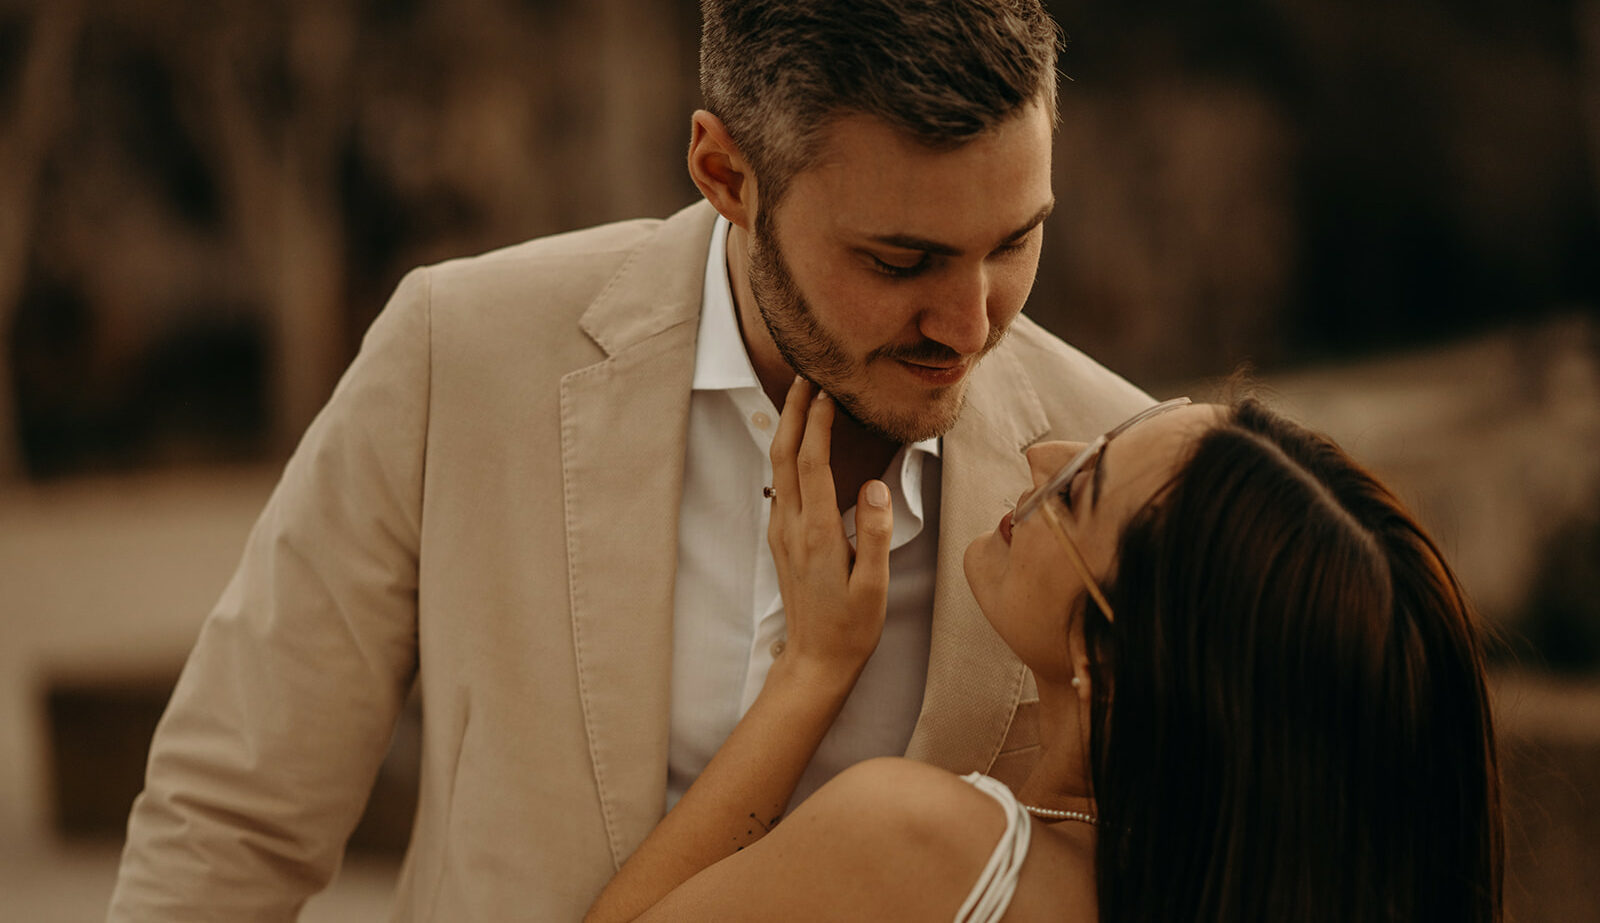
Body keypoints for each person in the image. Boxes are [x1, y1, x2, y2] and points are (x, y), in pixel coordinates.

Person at [108, 2, 1153, 919]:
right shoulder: (462, 352)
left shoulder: (1114, 466)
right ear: (725, 173)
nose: (971, 323)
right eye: (899, 259)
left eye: (1015, 241)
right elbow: (232, 818)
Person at [584, 380, 1505, 922]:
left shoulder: (933, 851)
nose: (1039, 454)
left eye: (1076, 489)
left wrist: (812, 670)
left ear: (1106, 661)